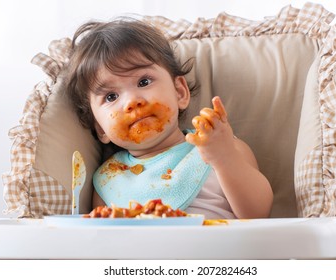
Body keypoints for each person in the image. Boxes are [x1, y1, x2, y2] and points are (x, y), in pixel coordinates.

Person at [65, 18, 273, 219]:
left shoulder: (221, 146)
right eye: (111, 96)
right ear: (100, 129)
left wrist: (224, 157)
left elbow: (257, 214)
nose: (132, 101)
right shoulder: (106, 181)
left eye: (144, 81)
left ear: (180, 92)